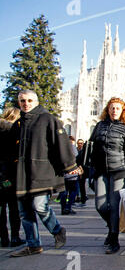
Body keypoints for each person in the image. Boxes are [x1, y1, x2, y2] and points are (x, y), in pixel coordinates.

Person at [8, 90, 79, 257]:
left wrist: (69, 165)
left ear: (36, 101)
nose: (26, 103)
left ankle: (57, 230)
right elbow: (9, 151)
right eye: (23, 101)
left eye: (29, 100)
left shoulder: (47, 119)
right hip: (22, 175)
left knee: (41, 207)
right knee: (25, 212)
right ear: (19, 103)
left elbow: (61, 143)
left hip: (41, 173)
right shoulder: (18, 124)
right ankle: (33, 245)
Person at [88, 97, 125, 254]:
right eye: (112, 108)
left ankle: (114, 239)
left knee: (114, 206)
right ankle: (112, 228)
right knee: (100, 206)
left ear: (122, 111)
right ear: (107, 110)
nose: (114, 110)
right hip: (101, 171)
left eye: (117, 108)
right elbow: (91, 148)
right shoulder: (99, 126)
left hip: (119, 171)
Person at [0, 107, 25, 247]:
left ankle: (3, 238)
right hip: (11, 175)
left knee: (1, 209)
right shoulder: (14, 131)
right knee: (13, 207)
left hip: (0, 176)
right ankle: (15, 237)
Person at [60, 135, 79, 215]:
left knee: (63, 192)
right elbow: (76, 156)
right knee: (73, 191)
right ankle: (68, 207)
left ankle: (63, 208)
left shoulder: (60, 147)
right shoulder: (72, 147)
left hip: (62, 173)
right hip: (72, 173)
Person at [75, 139, 89, 207]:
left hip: (82, 171)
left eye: (81, 143)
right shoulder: (77, 150)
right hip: (79, 170)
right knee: (80, 186)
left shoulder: (84, 151)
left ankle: (83, 199)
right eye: (78, 143)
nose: (80, 144)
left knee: (82, 186)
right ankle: (82, 198)